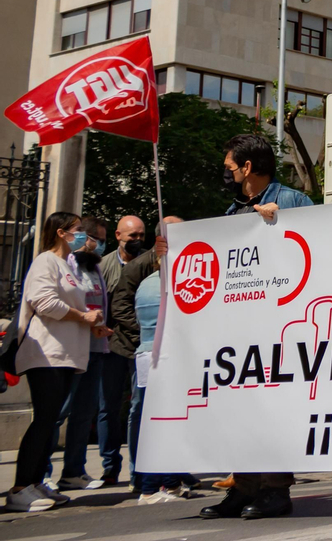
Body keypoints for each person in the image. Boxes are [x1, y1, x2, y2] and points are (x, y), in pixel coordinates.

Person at [200, 135, 313, 521]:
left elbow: (322, 247)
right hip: (240, 329)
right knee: (240, 409)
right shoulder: (233, 213)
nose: (227, 175)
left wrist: (283, 224)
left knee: (273, 409)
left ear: (247, 168)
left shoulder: (293, 202)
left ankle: (275, 490)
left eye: (230, 168)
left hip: (281, 328)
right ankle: (244, 487)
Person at [7, 212, 107, 513]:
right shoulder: (45, 262)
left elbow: (69, 305)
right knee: (44, 419)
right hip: (45, 354)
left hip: (65, 354)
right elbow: (44, 302)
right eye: (77, 231)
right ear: (62, 233)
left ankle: (35, 482)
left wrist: (92, 323)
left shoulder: (67, 266)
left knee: (49, 420)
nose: (82, 236)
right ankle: (20, 487)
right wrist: (83, 317)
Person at [114, 215, 191, 504]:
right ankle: (148, 486)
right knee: (156, 420)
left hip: (148, 355)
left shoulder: (148, 283)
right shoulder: (160, 285)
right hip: (159, 354)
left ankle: (169, 483)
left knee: (158, 418)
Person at [56, 217, 118, 491]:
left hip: (95, 349)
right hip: (72, 350)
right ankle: (40, 472)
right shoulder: (67, 264)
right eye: (98, 239)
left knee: (83, 413)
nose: (101, 245)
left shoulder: (96, 268)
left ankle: (74, 471)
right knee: (60, 411)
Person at [87, 214, 142, 490]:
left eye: (141, 236)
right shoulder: (103, 265)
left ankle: (138, 469)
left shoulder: (148, 263)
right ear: (118, 236)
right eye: (132, 236)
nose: (137, 241)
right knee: (107, 407)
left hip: (138, 346)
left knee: (137, 407)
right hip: (110, 347)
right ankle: (110, 467)